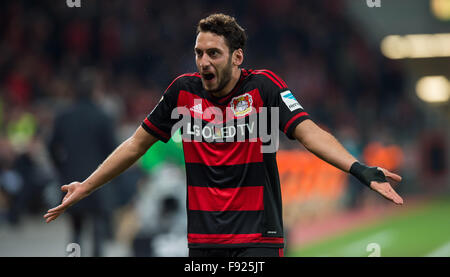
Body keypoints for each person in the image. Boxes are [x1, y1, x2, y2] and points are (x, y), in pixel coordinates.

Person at [44, 14, 403, 257]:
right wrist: (86, 186)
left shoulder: (264, 88)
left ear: (236, 57)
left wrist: (359, 170)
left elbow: (309, 133)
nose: (203, 62)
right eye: (199, 53)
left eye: (213, 53)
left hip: (258, 237)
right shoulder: (181, 93)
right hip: (204, 239)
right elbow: (137, 144)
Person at [48, 70, 117, 257]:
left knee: (75, 231)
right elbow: (113, 150)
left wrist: (61, 168)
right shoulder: (103, 117)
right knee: (97, 229)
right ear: (95, 90)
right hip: (97, 181)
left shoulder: (64, 116)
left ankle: (74, 255)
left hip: (71, 179)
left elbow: (52, 146)